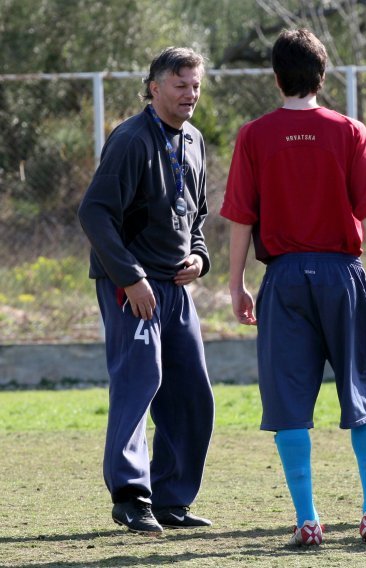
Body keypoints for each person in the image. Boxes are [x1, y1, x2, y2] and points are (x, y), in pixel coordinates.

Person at [220, 28, 366, 547]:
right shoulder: (349, 130)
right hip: (342, 274)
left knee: (288, 402)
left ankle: (307, 520)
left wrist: (236, 284)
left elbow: (240, 219)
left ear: (276, 78)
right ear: (323, 76)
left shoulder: (254, 135)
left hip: (285, 277)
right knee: (361, 394)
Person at [78, 47, 215, 536]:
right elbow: (94, 213)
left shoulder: (196, 140)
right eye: (180, 85)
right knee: (139, 383)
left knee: (191, 392)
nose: (190, 94)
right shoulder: (131, 138)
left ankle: (172, 497)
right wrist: (130, 278)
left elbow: (196, 215)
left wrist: (200, 255)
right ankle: (132, 498)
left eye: (195, 85)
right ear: (154, 87)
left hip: (176, 289)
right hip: (133, 286)